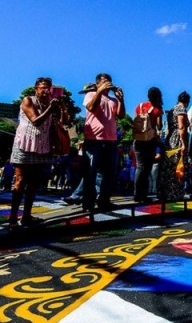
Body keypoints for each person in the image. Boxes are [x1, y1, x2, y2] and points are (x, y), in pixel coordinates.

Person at [8, 77, 68, 230]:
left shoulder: (50, 104)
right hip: (25, 146)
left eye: (49, 88)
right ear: (36, 88)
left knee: (34, 184)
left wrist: (61, 107)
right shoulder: (28, 100)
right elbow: (36, 121)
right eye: (43, 87)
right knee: (20, 182)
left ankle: (26, 216)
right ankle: (13, 218)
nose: (46, 90)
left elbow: (64, 122)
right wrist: (50, 108)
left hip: (42, 148)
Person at [81, 73, 125, 212]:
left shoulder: (113, 100)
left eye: (109, 82)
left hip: (110, 140)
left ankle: (104, 201)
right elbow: (90, 108)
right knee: (90, 173)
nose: (108, 84)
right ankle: (88, 203)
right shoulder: (91, 94)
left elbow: (121, 115)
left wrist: (121, 99)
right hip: (94, 140)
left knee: (109, 174)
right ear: (98, 83)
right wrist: (99, 92)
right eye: (105, 82)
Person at [132, 87, 164, 204]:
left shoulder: (140, 106)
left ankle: (136, 194)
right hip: (149, 140)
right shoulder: (157, 109)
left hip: (138, 140)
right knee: (147, 168)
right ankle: (143, 194)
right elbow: (159, 126)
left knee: (140, 167)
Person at [159, 91, 191, 202]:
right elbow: (181, 127)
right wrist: (183, 143)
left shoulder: (172, 109)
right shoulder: (181, 109)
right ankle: (174, 194)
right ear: (187, 102)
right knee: (178, 166)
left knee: (168, 167)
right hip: (177, 140)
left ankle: (165, 193)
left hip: (170, 139)